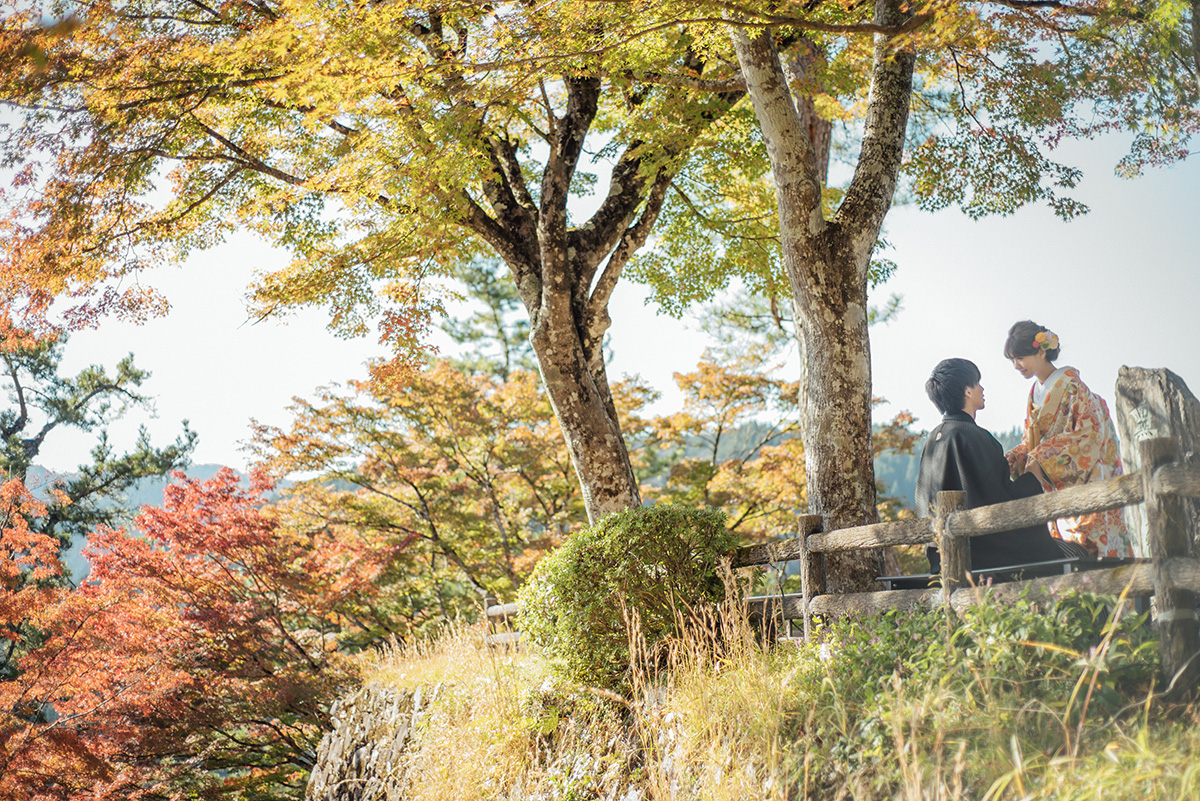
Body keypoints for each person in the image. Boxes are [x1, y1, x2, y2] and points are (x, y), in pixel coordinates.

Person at [915, 358, 1069, 573]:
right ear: (967, 391)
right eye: (977, 383)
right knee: (1074, 554)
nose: (982, 388)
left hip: (942, 559)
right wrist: (1032, 477)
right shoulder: (974, 436)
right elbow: (1001, 502)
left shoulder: (934, 438)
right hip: (985, 559)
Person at [1003, 320, 1134, 558]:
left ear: (1042, 351)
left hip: (1087, 481)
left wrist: (1041, 457)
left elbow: (1090, 435)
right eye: (1012, 359)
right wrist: (1018, 455)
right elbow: (1030, 440)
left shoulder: (1074, 387)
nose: (1016, 365)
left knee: (1091, 553)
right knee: (1063, 552)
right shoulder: (1035, 393)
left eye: (1020, 357)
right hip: (1056, 486)